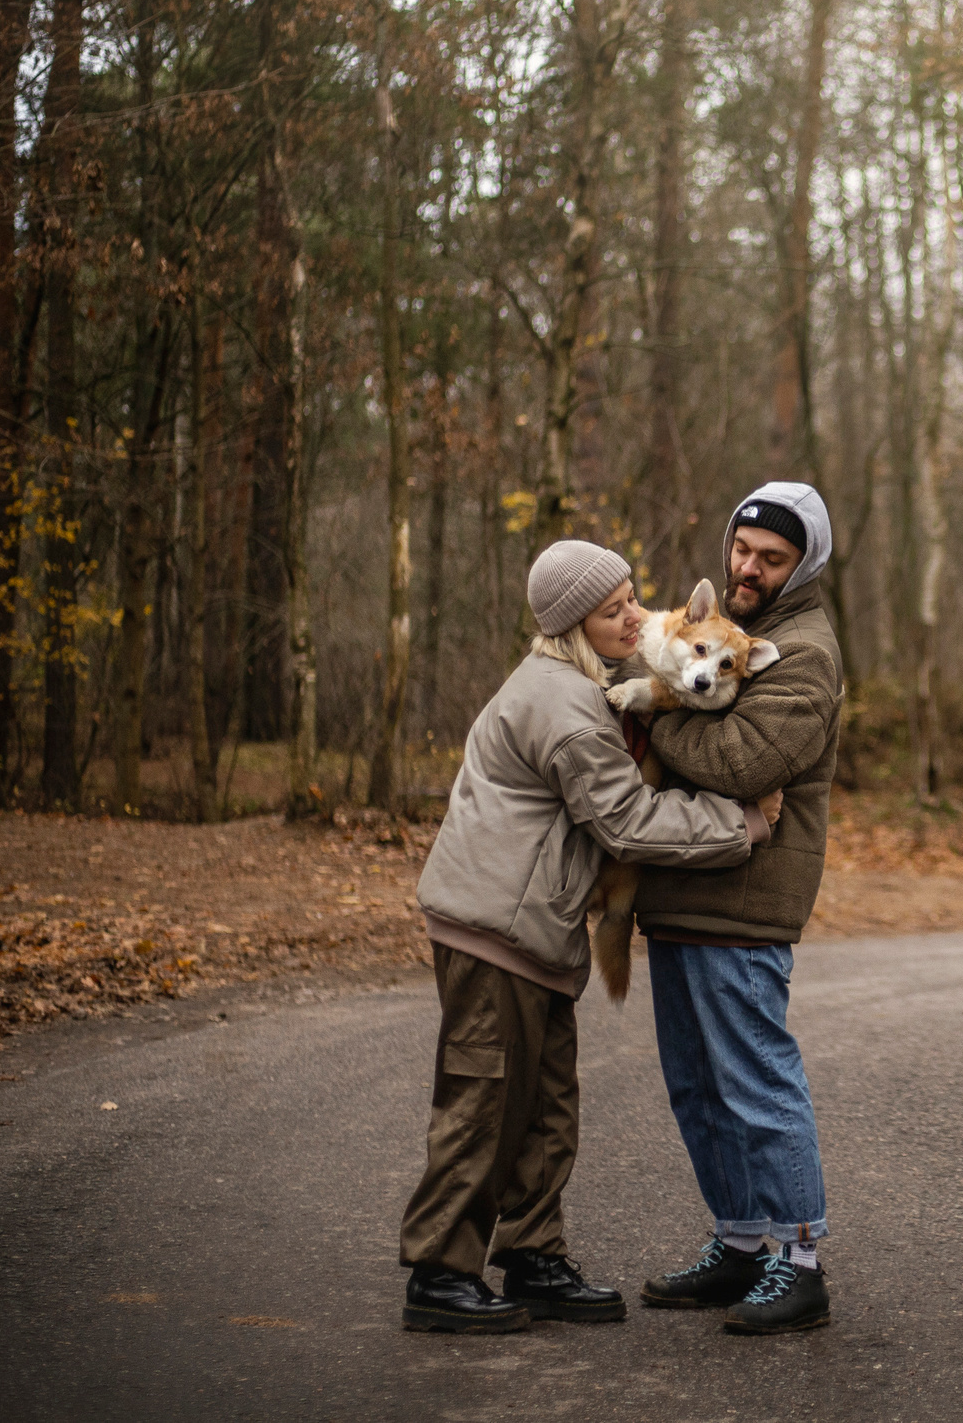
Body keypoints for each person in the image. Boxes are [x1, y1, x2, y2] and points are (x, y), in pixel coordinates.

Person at [397, 538, 778, 1335]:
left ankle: (533, 1255)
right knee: (485, 1098)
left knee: (545, 1105)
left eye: (634, 598)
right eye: (615, 609)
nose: (636, 616)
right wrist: (738, 823)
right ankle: (439, 1270)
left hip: (531, 930)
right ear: (574, 622)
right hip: (492, 925)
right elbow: (626, 821)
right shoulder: (561, 703)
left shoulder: (580, 687)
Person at [629, 481, 845, 1336]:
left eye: (773, 557)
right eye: (744, 549)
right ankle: (742, 1240)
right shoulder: (720, 625)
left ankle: (799, 1262)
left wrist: (655, 717)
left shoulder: (804, 650)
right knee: (698, 1086)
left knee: (755, 1079)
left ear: (803, 565)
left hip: (746, 897)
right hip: (685, 886)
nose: (749, 567)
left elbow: (744, 759)